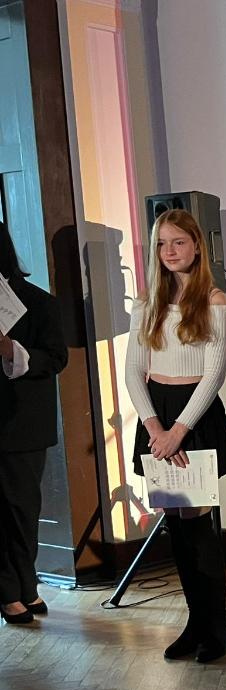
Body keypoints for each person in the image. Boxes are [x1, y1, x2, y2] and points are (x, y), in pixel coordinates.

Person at [126, 210, 226, 663]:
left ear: (196, 246)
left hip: (194, 417)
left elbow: (214, 375)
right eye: (161, 243)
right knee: (175, 524)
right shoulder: (146, 303)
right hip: (158, 416)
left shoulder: (214, 300)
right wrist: (154, 427)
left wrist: (178, 431)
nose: (169, 251)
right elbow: (134, 371)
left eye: (178, 242)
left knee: (199, 526)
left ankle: (217, 628)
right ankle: (194, 623)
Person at [0, 221, 67, 626]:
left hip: (22, 425)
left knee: (23, 509)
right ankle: (9, 593)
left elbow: (57, 357)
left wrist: (11, 350)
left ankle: (26, 584)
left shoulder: (37, 302)